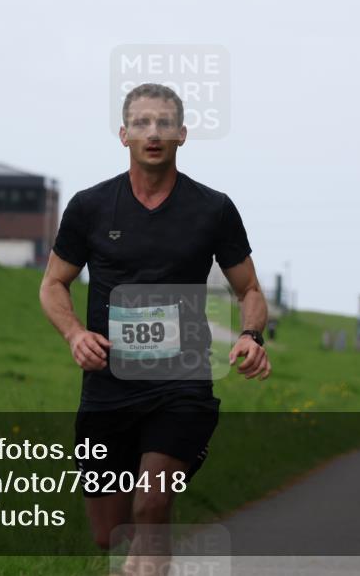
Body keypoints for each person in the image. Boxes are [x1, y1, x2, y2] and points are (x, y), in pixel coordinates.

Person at [39, 83, 270, 573]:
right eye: (142, 123)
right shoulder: (90, 207)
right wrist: (75, 334)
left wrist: (251, 336)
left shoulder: (212, 209)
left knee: (151, 505)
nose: (153, 133)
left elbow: (249, 289)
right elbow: (53, 283)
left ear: (182, 135)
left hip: (181, 383)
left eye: (164, 123)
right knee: (109, 534)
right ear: (123, 134)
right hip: (108, 387)